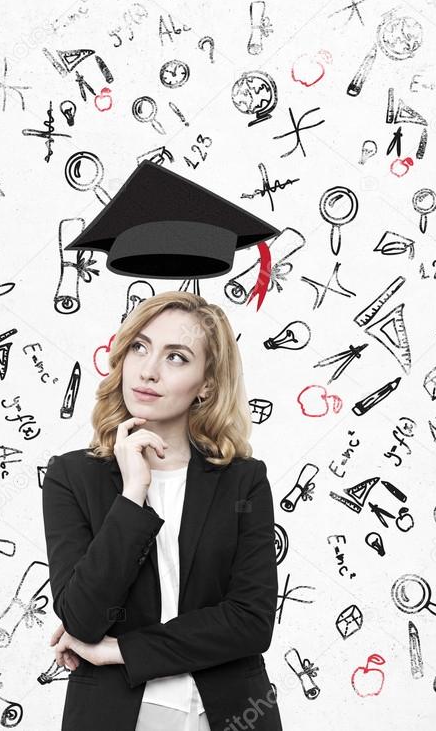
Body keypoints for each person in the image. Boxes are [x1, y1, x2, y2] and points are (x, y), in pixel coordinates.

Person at [42, 291, 282, 731]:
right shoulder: (71, 477)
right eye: (139, 347)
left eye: (176, 357)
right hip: (116, 716)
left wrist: (121, 650)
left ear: (207, 383)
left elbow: (251, 622)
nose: (149, 371)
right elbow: (82, 618)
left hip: (232, 714)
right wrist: (133, 493)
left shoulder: (243, 480)